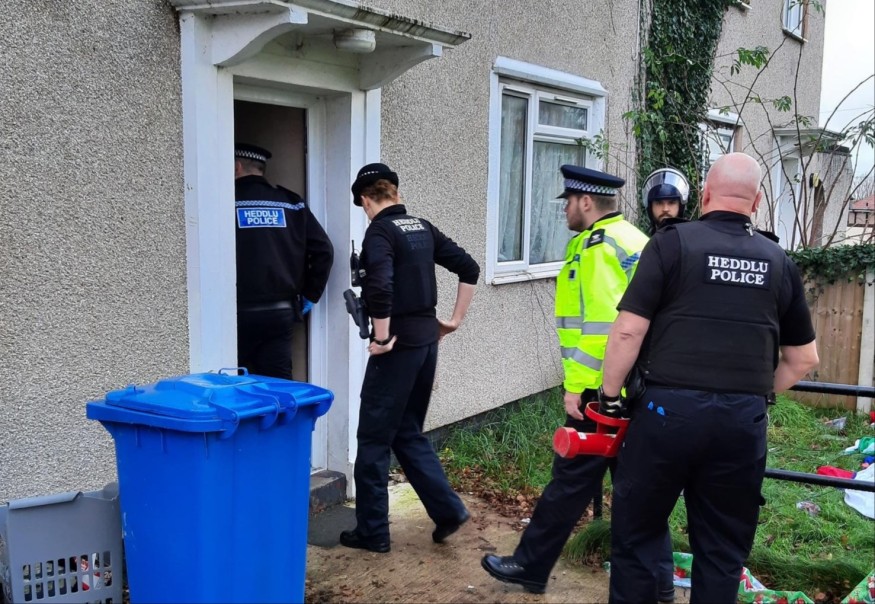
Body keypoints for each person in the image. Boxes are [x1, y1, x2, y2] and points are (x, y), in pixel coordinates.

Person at [599, 153, 819, 604]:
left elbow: (627, 331)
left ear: (704, 195)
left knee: (637, 539)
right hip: (741, 425)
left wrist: (609, 396)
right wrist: (753, 396)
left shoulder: (671, 244)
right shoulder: (778, 261)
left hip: (665, 415)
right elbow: (803, 359)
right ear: (756, 202)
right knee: (721, 553)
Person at [482, 165, 679, 598]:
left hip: (603, 393)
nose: (565, 210)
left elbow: (604, 328)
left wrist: (579, 388)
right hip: (637, 390)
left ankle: (531, 565)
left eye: (568, 202)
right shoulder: (631, 239)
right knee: (638, 495)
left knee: (569, 481)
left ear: (586, 202)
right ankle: (660, 586)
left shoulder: (599, 246)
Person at [339, 162, 479, 554]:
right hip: (426, 343)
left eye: (362, 206)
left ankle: (372, 532)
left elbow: (381, 287)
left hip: (397, 347)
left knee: (373, 439)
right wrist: (453, 321)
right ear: (395, 193)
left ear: (366, 201)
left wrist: (382, 338)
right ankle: (448, 511)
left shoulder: (380, 232)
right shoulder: (421, 227)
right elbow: (469, 268)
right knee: (406, 431)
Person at [234, 143, 334, 379]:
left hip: (237, 312)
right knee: (279, 383)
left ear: (237, 167)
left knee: (235, 382)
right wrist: (310, 295)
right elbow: (324, 250)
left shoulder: (224, 202)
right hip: (281, 313)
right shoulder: (291, 203)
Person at [641, 167, 690, 234]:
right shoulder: (642, 239)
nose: (665, 209)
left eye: (671, 202)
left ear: (681, 206)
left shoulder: (692, 238)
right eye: (659, 203)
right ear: (650, 206)